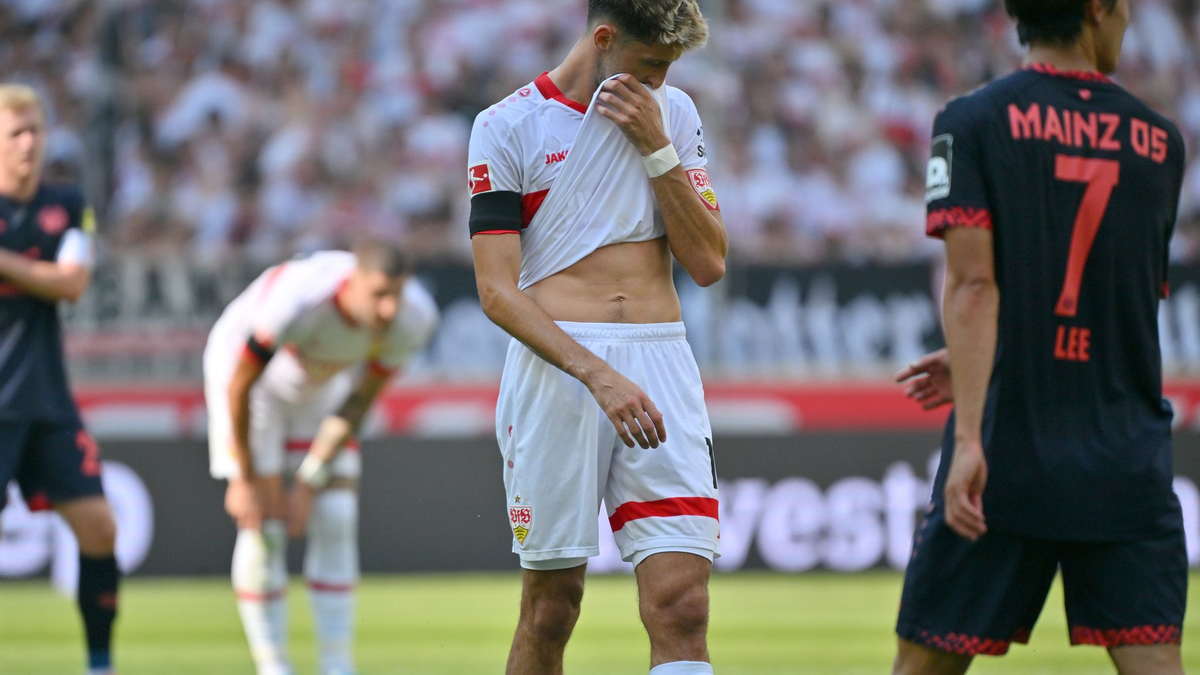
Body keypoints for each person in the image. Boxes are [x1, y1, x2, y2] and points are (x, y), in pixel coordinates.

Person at [891, 1, 1187, 673]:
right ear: (1096, 8)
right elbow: (1120, 304)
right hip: (1125, 456)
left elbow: (973, 287)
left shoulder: (970, 123)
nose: (1131, 18)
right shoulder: (1163, 142)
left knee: (922, 664)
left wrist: (969, 432)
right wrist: (982, 352)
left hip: (1005, 450)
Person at [467, 1, 727, 673]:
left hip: (660, 357)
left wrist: (656, 146)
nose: (660, 81)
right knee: (553, 605)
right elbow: (497, 289)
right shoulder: (507, 126)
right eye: (651, 64)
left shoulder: (674, 113)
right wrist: (597, 373)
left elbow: (708, 263)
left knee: (682, 604)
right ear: (606, 39)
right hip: (560, 372)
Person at [203, 242, 438, 675]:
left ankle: (337, 666)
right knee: (266, 530)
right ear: (351, 283)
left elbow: (359, 401)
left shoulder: (414, 318)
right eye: (379, 295)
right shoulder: (299, 301)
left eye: (397, 295)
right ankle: (272, 665)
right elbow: (239, 386)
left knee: (336, 515)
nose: (389, 309)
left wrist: (310, 480)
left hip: (322, 389)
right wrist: (244, 474)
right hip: (255, 389)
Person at [0, 84, 117, 675]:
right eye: (15, 132)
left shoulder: (67, 204)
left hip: (46, 399)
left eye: (35, 131)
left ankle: (100, 664)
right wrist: (34, 271)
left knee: (99, 528)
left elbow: (72, 283)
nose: (28, 143)